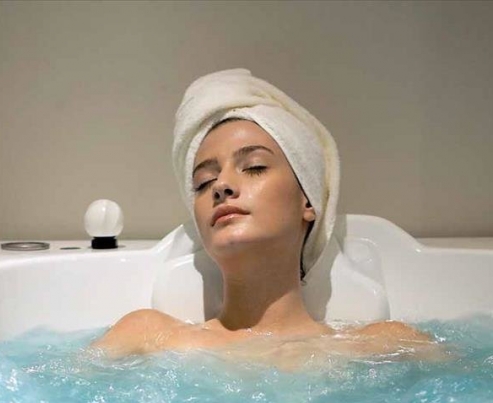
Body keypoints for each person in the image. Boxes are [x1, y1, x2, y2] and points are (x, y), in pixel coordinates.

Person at [91, 70, 440, 369]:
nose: (222, 186)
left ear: (308, 200)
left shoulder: (385, 345)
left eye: (254, 167)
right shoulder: (146, 336)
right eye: (204, 182)